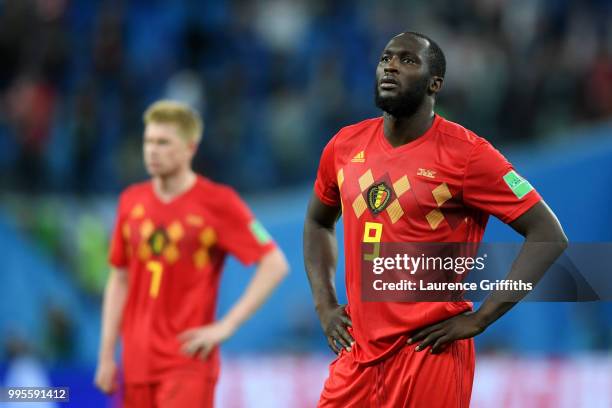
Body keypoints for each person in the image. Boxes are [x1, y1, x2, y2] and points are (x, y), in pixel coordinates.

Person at [303, 31, 568, 407]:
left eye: (408, 60)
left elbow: (548, 234)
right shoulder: (344, 146)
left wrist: (480, 318)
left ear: (435, 83)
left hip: (428, 356)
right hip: (357, 360)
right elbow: (318, 222)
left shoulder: (468, 155)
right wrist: (325, 305)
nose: (391, 65)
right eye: (385, 58)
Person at [94, 100, 289, 407]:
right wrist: (106, 355)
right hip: (135, 363)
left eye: (163, 142)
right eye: (148, 141)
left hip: (187, 362)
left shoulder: (218, 202)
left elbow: (275, 264)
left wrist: (227, 325)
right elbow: (119, 279)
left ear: (189, 148)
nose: (152, 150)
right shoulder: (131, 202)